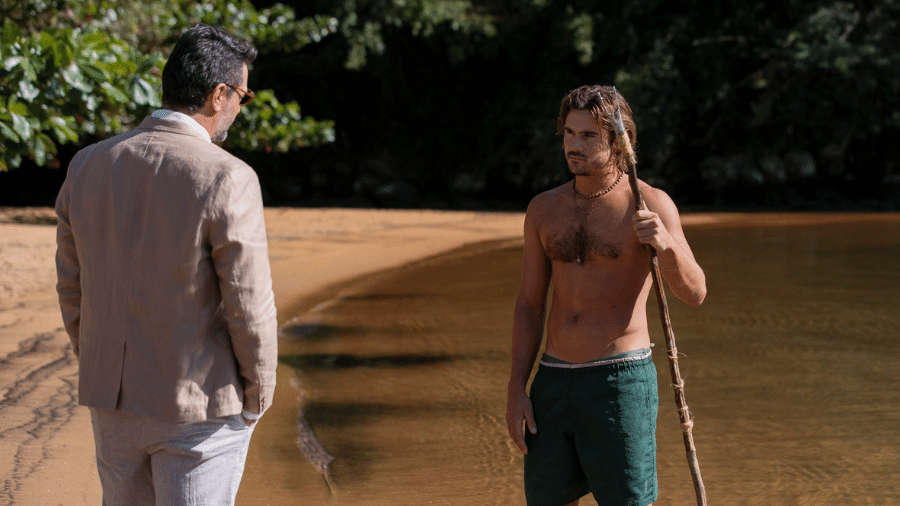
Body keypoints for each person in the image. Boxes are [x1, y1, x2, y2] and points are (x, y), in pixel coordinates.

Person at [55, 24, 277, 506]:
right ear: (220, 94)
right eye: (244, 95)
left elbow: (73, 290)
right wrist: (259, 395)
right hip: (199, 406)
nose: (240, 107)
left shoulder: (87, 165)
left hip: (113, 403)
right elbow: (249, 304)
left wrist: (103, 370)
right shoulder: (227, 176)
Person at [505, 85, 706, 506]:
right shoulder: (544, 209)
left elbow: (695, 292)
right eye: (569, 134)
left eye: (589, 136)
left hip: (620, 382)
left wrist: (665, 244)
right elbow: (529, 304)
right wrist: (517, 389)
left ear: (619, 141)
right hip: (553, 381)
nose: (574, 146)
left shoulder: (648, 203)